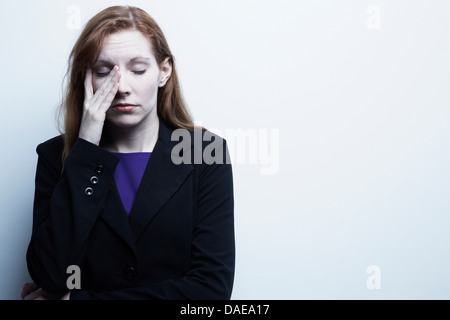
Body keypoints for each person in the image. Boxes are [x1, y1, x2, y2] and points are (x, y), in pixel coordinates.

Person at [22, 5, 235, 300]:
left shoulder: (204, 153)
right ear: (86, 78)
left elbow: (210, 290)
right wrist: (85, 149)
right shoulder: (55, 156)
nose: (121, 87)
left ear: (164, 71)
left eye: (138, 70)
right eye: (103, 71)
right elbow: (51, 273)